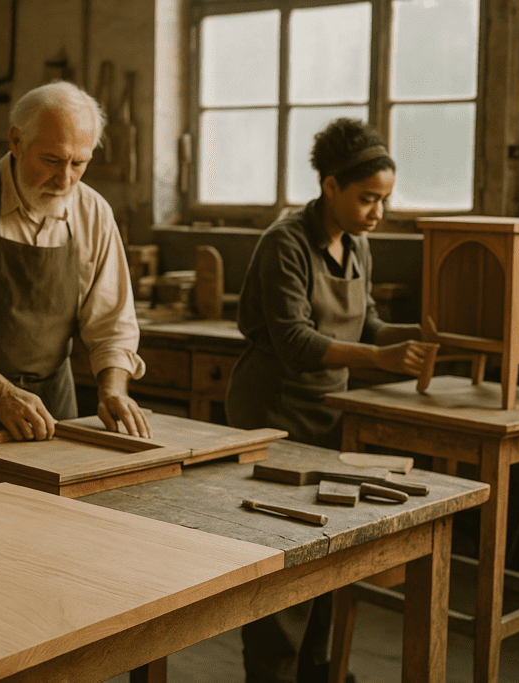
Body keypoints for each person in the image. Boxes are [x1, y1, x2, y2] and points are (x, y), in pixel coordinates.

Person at [225, 117, 432, 683]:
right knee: (281, 563)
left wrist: (419, 336)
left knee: (327, 556)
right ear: (331, 186)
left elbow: (366, 323)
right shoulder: (284, 243)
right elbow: (295, 342)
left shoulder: (357, 245)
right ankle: (271, 675)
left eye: (384, 201)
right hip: (272, 416)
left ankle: (318, 671)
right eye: (367, 199)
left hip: (327, 418)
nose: (377, 214)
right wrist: (382, 361)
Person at [0, 81, 150, 442]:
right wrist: (2, 394)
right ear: (16, 142)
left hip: (52, 413)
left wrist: (114, 389)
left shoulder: (94, 212)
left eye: (79, 164)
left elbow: (113, 323)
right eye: (52, 160)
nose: (65, 179)